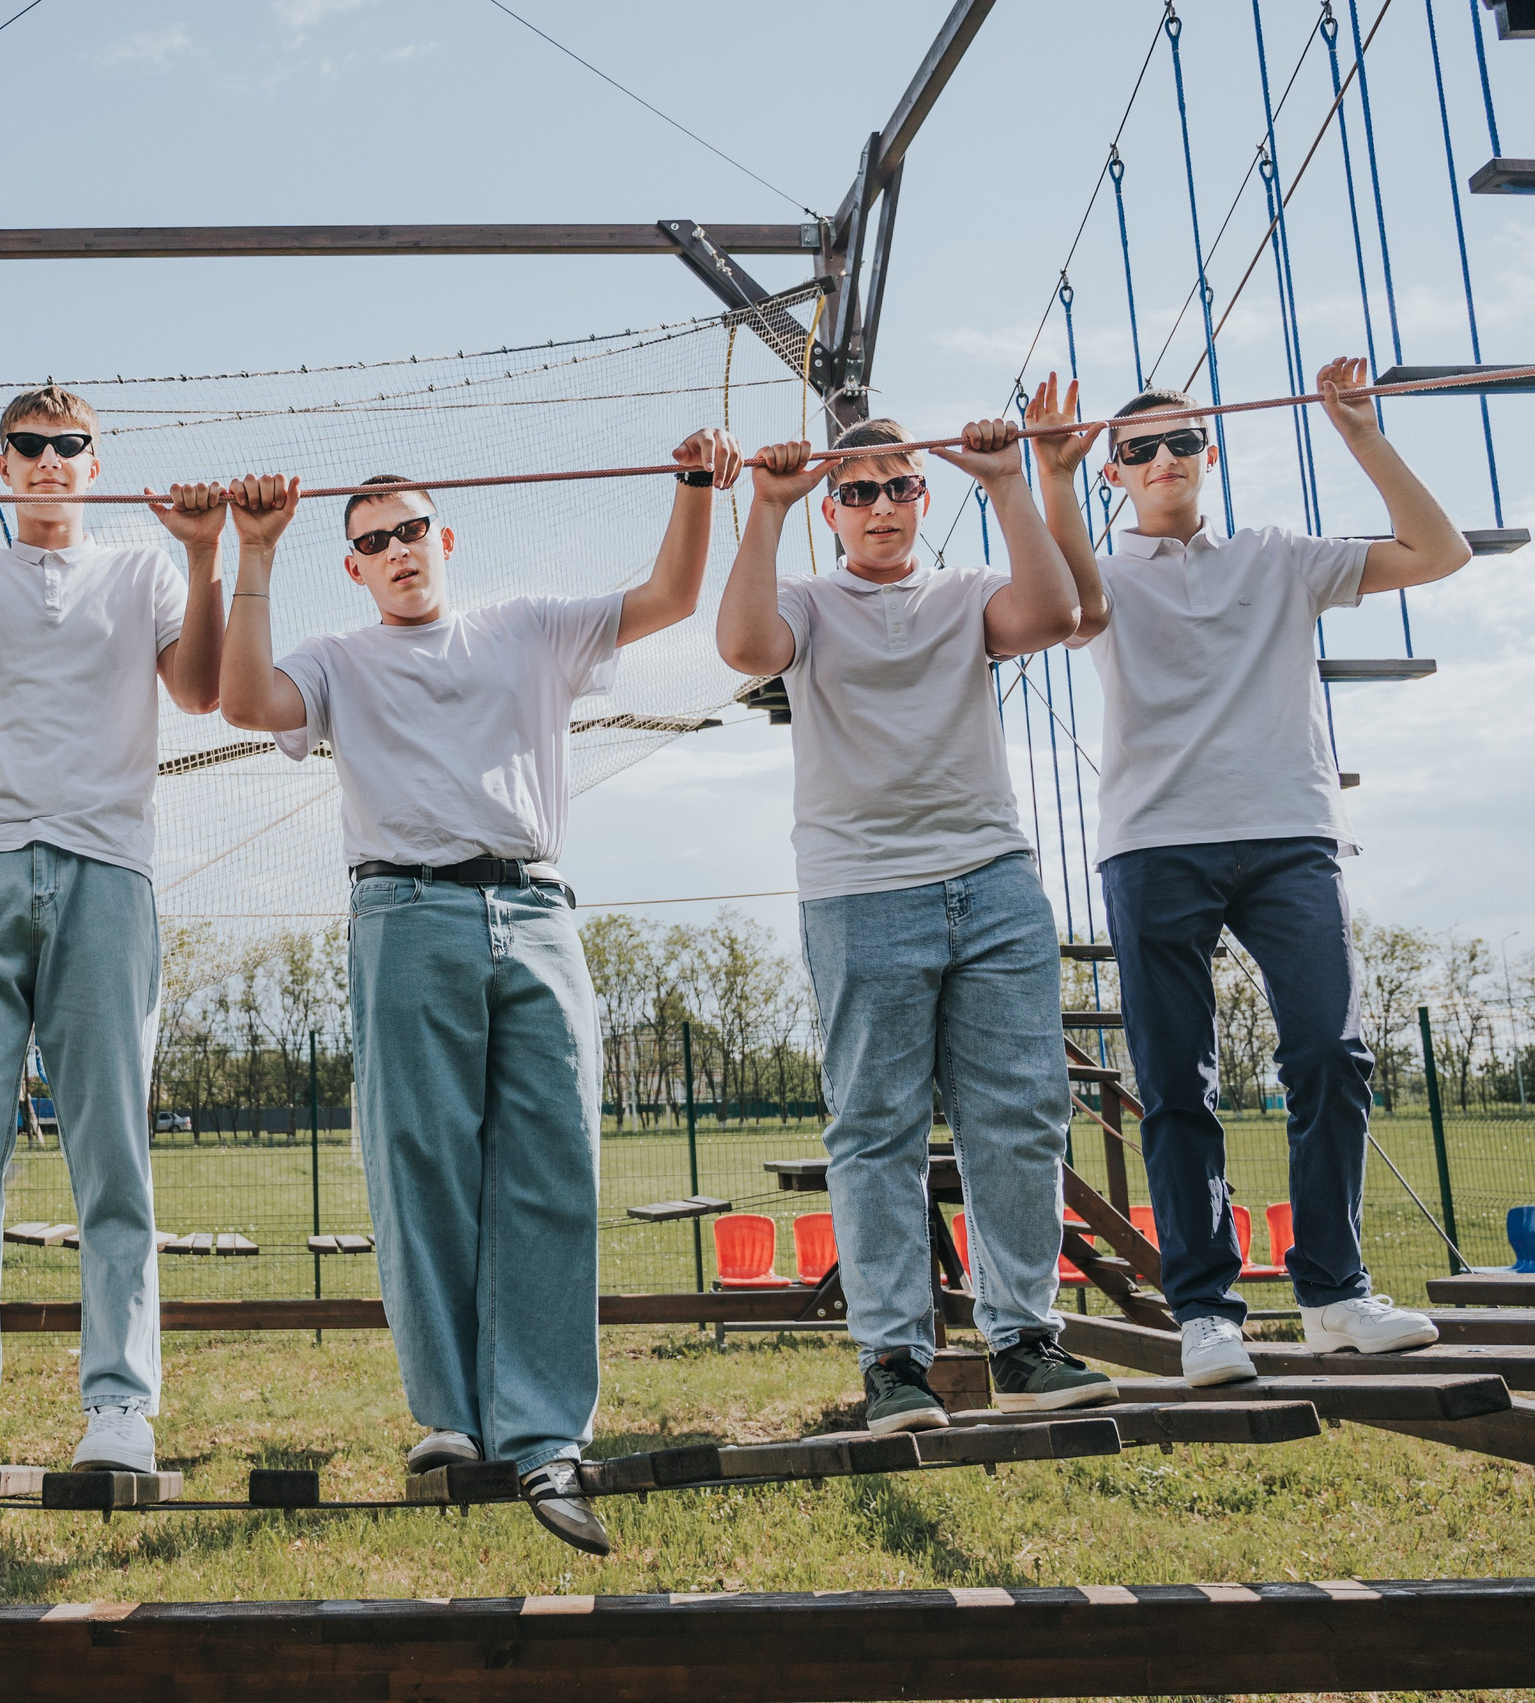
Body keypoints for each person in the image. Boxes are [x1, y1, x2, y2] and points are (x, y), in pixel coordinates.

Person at [213, 429, 741, 1556]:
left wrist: (695, 485)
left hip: (537, 907)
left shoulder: (527, 626)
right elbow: (243, 700)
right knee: (424, 1168)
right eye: (371, 542)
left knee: (554, 1166)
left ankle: (544, 1429)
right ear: (351, 567)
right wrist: (251, 549)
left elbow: (671, 595)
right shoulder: (335, 658)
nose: (398, 550)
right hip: (404, 913)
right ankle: (453, 1419)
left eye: (410, 529)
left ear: (444, 537)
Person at [1025, 360, 1466, 1384]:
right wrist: (1049, 477)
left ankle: (1333, 1292)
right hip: (1154, 841)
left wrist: (1357, 433)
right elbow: (1063, 609)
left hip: (1287, 834)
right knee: (1176, 1081)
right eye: (1137, 448)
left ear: (1208, 454)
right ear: (1114, 475)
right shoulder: (1101, 568)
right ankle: (1206, 1313)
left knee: (1329, 1051)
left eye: (1182, 441)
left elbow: (1435, 553)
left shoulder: (1278, 556)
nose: (1164, 459)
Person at [713, 415, 1118, 1436]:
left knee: (1019, 1115)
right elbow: (742, 644)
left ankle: (1023, 1339)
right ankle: (895, 1361)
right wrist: (765, 507)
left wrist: (1003, 480)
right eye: (857, 493)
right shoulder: (803, 600)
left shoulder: (961, 592)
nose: (882, 507)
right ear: (832, 511)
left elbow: (1054, 614)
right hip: (860, 891)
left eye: (899, 488)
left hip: (990, 882)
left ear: (922, 500)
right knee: (876, 1128)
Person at [0, 385, 223, 1473]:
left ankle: (119, 1405)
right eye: (29, 446)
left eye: (71, 445)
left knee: (111, 1154)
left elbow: (203, 692)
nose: (51, 461)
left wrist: (208, 556)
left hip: (106, 868)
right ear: (4, 462)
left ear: (95, 456)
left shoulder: (142, 568)